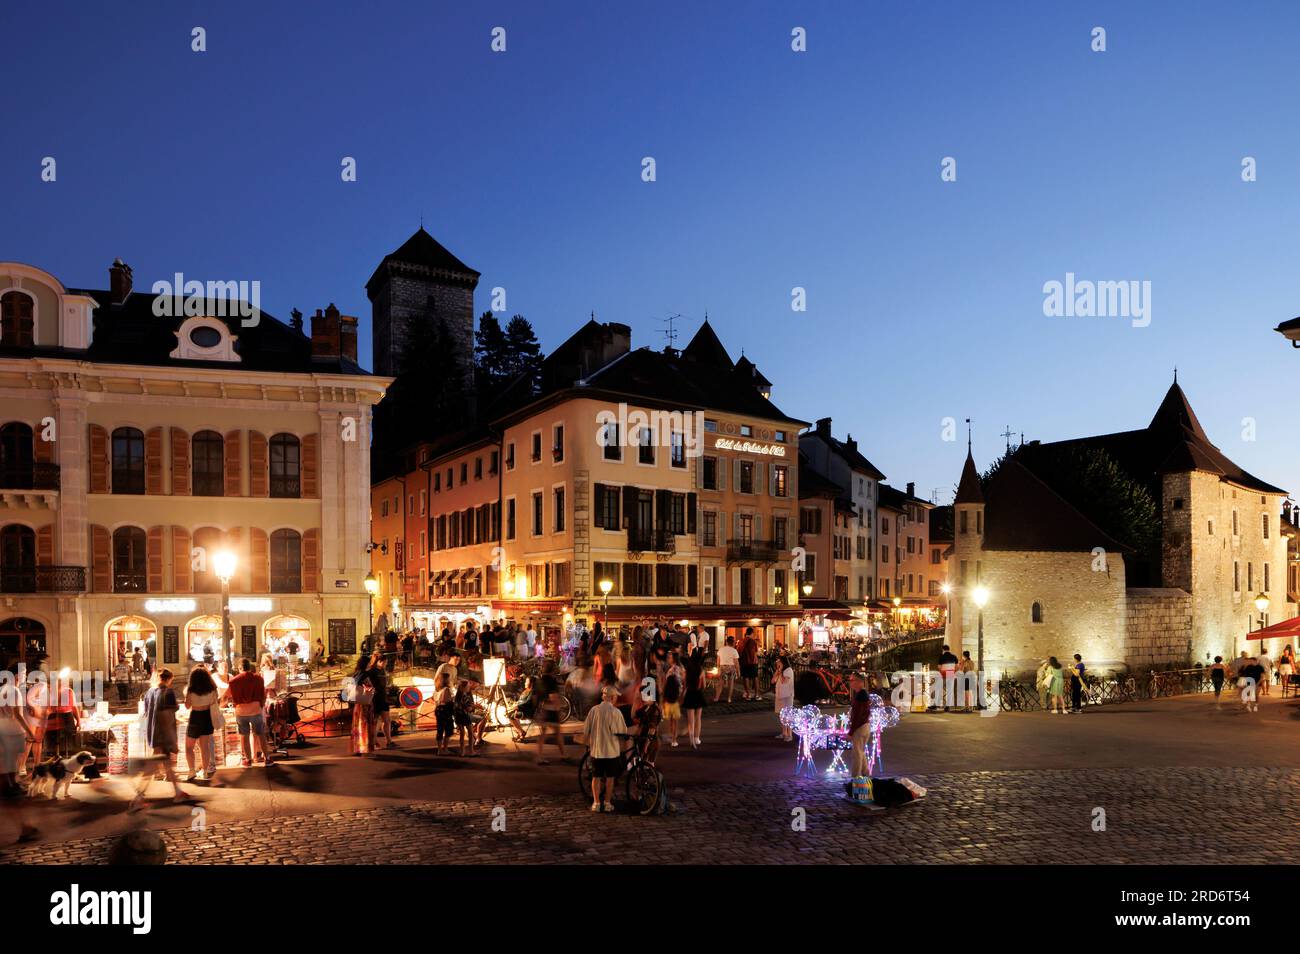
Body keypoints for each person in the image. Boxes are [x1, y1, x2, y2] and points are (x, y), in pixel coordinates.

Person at [130, 669, 186, 809]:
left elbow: (147, 713)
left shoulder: (149, 692)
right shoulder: (168, 692)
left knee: (162, 763)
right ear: (168, 679)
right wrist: (172, 739)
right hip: (164, 734)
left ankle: (177, 792)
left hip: (153, 732)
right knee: (154, 765)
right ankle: (139, 796)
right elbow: (167, 716)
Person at [0, 674, 38, 841]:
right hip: (12, 735)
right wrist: (29, 732)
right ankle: (24, 827)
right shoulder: (13, 690)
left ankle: (25, 826)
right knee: (9, 784)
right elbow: (16, 713)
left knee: (8, 782)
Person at [582, 686, 627, 813]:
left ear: (603, 696)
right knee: (610, 778)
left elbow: (586, 730)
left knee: (595, 777)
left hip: (596, 750)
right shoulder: (616, 712)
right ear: (612, 698)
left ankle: (596, 803)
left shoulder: (594, 710)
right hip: (611, 751)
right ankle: (607, 803)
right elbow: (621, 731)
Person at [224, 658, 272, 766]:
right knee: (260, 735)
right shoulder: (258, 679)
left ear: (239, 668)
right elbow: (263, 696)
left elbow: (225, 697)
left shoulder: (233, 681)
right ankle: (267, 759)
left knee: (244, 736)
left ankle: (248, 760)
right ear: (249, 667)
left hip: (241, 712)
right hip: (255, 710)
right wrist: (261, 706)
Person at [182, 667, 220, 781]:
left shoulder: (191, 690)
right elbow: (215, 701)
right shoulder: (212, 689)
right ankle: (204, 771)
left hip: (195, 717)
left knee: (189, 747)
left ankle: (191, 771)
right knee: (205, 747)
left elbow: (187, 706)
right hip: (207, 717)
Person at [535, 669, 568, 765]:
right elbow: (553, 696)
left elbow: (537, 696)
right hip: (552, 711)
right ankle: (563, 754)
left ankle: (539, 756)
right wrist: (558, 708)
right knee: (557, 733)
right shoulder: (551, 681)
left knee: (543, 735)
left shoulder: (541, 681)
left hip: (544, 709)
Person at [846, 673, 873, 777]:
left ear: (859, 682)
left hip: (860, 728)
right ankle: (865, 773)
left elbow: (858, 716)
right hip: (865, 726)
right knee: (860, 752)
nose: (850, 683)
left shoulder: (861, 696)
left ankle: (856, 778)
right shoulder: (863, 694)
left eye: (852, 680)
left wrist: (851, 732)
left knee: (857, 754)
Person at [682, 647, 707, 749]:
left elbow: (684, 684)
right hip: (698, 693)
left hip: (689, 693)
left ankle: (691, 739)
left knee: (690, 720)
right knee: (698, 718)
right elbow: (704, 685)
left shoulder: (686, 670)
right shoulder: (701, 670)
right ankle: (697, 738)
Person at [368, 654, 394, 749]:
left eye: (386, 662)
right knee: (377, 720)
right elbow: (371, 685)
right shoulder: (372, 671)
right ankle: (374, 742)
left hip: (383, 697)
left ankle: (389, 741)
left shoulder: (382, 670)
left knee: (387, 720)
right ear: (378, 661)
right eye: (384, 662)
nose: (385, 664)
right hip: (376, 698)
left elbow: (384, 683)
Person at [662, 651, 685, 747]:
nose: (668, 659)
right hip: (677, 695)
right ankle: (674, 736)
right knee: (674, 719)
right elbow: (684, 680)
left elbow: (667, 684)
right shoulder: (681, 668)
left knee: (671, 719)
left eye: (670, 657)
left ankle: (673, 735)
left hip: (672, 696)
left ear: (673, 659)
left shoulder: (672, 670)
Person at [773, 654, 795, 739]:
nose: (777, 662)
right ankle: (784, 733)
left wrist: (780, 672)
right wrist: (777, 672)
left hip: (787, 695)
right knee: (782, 715)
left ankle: (790, 734)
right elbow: (773, 681)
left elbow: (783, 681)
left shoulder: (789, 670)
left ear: (782, 662)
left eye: (778, 661)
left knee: (788, 715)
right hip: (780, 695)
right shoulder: (779, 670)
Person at [715, 635, 739, 703]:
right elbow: (736, 662)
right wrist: (738, 671)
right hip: (731, 667)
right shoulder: (734, 650)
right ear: (733, 643)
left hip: (722, 667)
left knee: (720, 683)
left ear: (727, 642)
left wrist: (718, 668)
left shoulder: (721, 649)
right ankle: (729, 698)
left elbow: (718, 660)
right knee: (731, 683)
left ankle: (717, 698)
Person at [738, 627, 760, 701]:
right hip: (752, 662)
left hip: (743, 662)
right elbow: (755, 652)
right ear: (752, 633)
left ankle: (748, 694)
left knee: (745, 677)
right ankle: (756, 695)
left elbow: (738, 651)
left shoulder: (741, 641)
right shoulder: (753, 641)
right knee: (755, 677)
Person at [936, 644, 959, 710]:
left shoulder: (942, 656)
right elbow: (957, 667)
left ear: (943, 650)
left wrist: (942, 672)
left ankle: (938, 704)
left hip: (943, 674)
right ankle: (948, 706)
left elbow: (939, 667)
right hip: (951, 674)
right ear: (949, 649)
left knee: (939, 689)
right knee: (950, 690)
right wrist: (953, 672)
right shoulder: (954, 656)